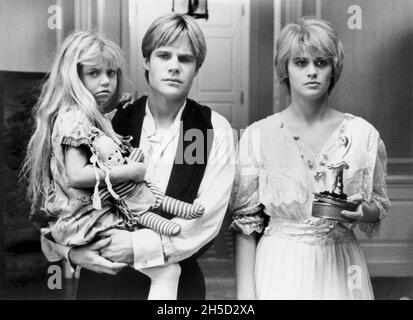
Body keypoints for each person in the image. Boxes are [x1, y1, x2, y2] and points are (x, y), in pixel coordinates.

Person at [31, 13, 235, 300]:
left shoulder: (212, 129)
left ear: (196, 68)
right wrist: (72, 254)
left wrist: (137, 245)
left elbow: (207, 220)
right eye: (164, 55)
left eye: (185, 59)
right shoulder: (106, 123)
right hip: (104, 285)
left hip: (176, 287)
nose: (174, 66)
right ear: (146, 62)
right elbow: (53, 204)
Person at [230, 17, 390, 300]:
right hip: (281, 264)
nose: (312, 71)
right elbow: (245, 224)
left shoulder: (363, 134)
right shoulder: (258, 136)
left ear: (333, 69)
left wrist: (363, 212)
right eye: (301, 63)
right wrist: (246, 298)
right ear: (285, 69)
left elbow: (378, 203)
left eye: (321, 62)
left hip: (341, 266)